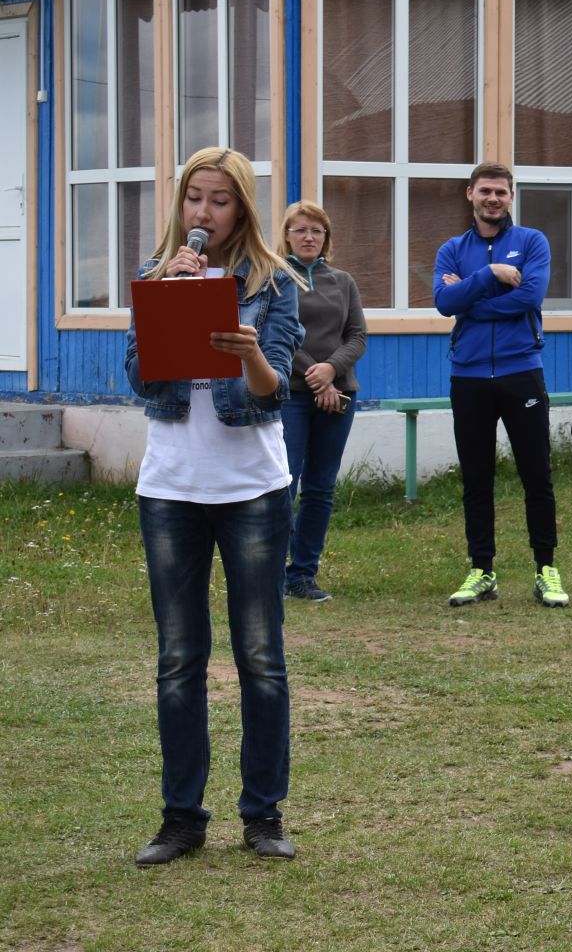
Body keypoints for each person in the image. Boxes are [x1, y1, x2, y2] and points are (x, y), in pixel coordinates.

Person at [124, 146, 305, 865]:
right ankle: (180, 818)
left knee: (260, 656)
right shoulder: (157, 274)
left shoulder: (273, 283)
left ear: (243, 209)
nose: (204, 213)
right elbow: (141, 380)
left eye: (219, 201)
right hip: (170, 489)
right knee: (178, 658)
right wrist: (168, 294)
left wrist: (249, 352)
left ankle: (263, 816)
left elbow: (273, 392)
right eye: (195, 198)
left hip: (252, 491)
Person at [433, 162, 566, 608]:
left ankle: (546, 568)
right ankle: (481, 570)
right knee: (476, 478)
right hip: (468, 376)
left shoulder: (532, 242)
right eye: (485, 191)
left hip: (520, 372)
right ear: (469, 194)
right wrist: (489, 278)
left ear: (511, 197)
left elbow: (529, 297)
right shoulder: (452, 249)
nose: (493, 199)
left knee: (536, 474)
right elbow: (442, 303)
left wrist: (469, 300)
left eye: (501, 192)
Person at [279, 201, 367, 603]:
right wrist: (315, 376)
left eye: (317, 230)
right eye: (300, 230)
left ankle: (303, 574)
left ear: (326, 237)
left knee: (320, 488)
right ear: (286, 236)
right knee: (284, 483)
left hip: (339, 395)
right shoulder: (274, 279)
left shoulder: (343, 281)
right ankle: (271, 571)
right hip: (291, 395)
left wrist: (331, 371)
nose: (309, 237)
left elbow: (357, 337)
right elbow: (274, 334)